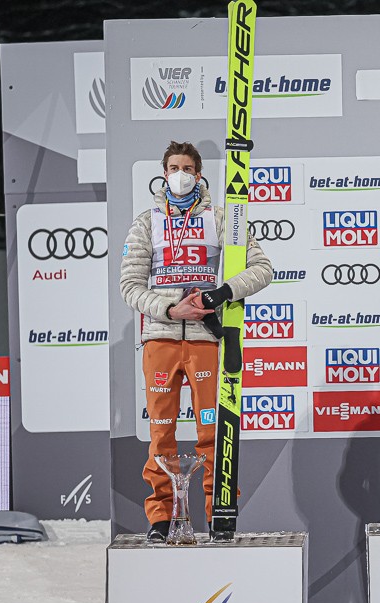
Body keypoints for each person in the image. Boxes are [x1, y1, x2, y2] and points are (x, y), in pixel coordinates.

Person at [120, 141, 272, 541]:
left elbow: (262, 268)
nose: (180, 175)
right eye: (173, 168)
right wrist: (171, 310)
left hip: (206, 338)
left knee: (212, 433)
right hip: (161, 339)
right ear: (163, 173)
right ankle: (160, 519)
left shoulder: (221, 219)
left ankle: (219, 513)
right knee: (161, 434)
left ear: (199, 174)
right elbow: (130, 286)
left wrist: (218, 295)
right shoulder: (146, 222)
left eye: (187, 168)